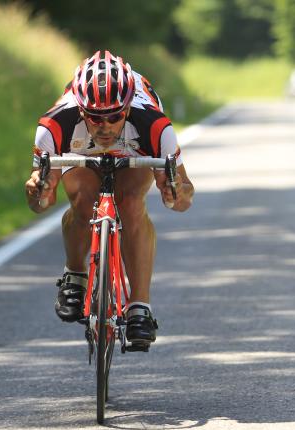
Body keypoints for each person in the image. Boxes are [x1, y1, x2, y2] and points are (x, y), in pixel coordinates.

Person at [24, 50, 194, 350]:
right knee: (82, 198)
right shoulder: (54, 125)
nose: (104, 126)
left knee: (130, 203)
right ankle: (75, 274)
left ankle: (140, 306)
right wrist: (39, 191)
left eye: (114, 117)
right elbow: (40, 205)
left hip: (134, 149)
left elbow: (183, 201)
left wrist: (175, 192)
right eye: (95, 118)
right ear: (81, 110)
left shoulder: (155, 126)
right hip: (80, 150)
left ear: (127, 109)